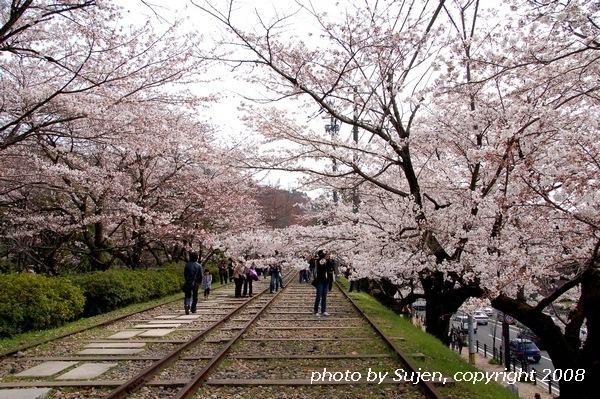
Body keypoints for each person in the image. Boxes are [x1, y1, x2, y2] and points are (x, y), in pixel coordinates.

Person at [313, 250, 334, 317]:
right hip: (320, 281)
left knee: (324, 296)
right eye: (327, 254)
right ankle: (316, 311)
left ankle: (323, 310)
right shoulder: (320, 261)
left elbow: (332, 268)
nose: (328, 256)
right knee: (318, 296)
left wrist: (329, 260)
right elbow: (321, 267)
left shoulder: (328, 262)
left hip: (326, 281)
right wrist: (323, 258)